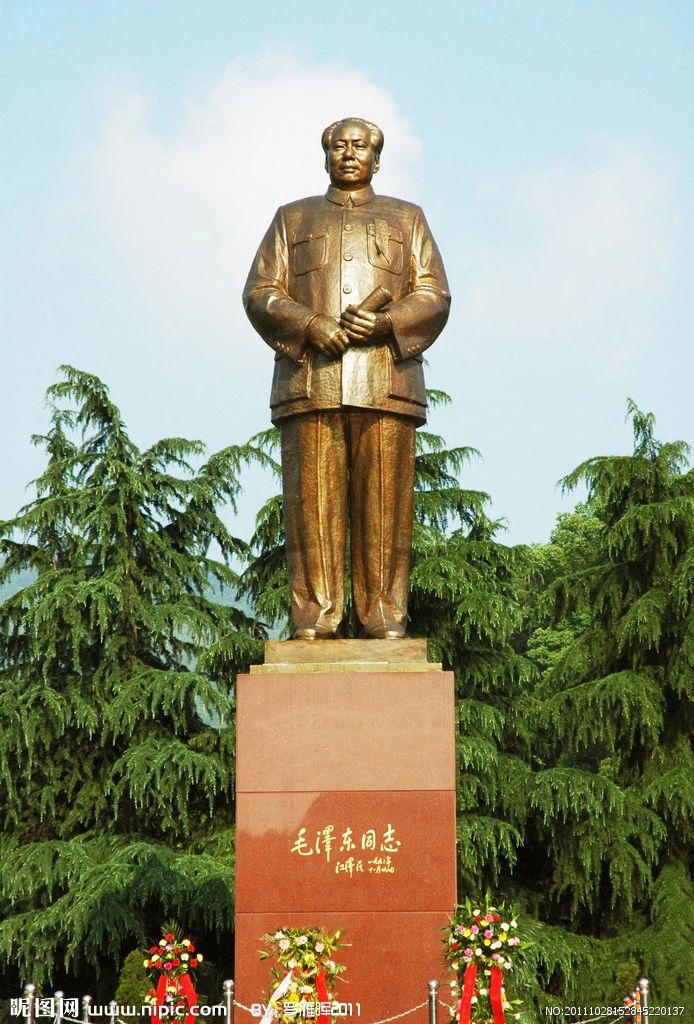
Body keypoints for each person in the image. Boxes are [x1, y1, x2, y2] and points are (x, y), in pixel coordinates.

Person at [243, 116, 450, 639]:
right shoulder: (292, 219)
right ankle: (315, 616)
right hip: (311, 381)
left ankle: (384, 615)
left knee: (386, 507)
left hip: (386, 382)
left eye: (360, 146)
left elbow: (433, 295)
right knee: (311, 507)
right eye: (340, 146)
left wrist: (386, 323)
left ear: (377, 159)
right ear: (326, 155)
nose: (350, 154)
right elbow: (261, 293)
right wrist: (309, 324)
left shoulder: (407, 218)